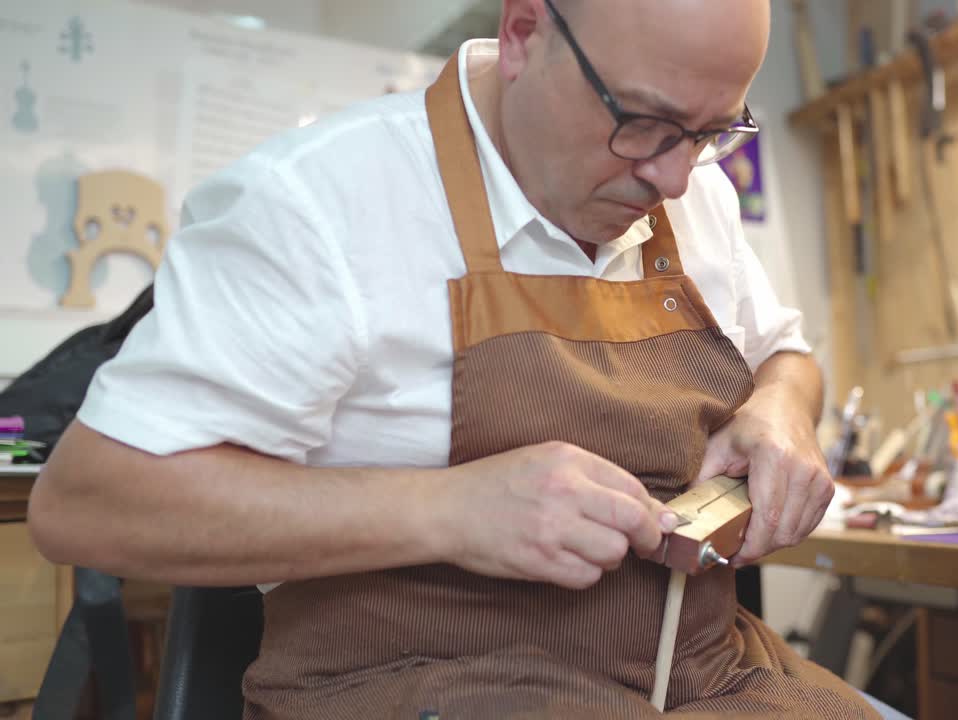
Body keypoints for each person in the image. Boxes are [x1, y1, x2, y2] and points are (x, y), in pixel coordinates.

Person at [31, 1, 906, 717]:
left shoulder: (697, 194)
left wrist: (780, 411)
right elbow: (86, 504)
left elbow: (786, 354)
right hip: (424, 688)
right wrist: (451, 510)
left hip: (710, 682)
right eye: (646, 123)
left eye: (713, 132)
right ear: (524, 33)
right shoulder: (317, 203)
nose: (675, 178)